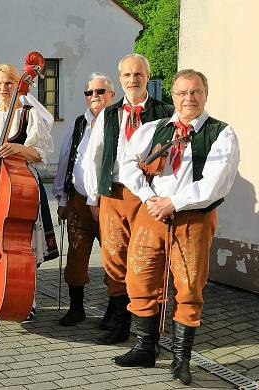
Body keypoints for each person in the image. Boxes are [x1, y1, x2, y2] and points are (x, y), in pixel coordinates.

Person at [113, 69, 239, 385]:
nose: (188, 99)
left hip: (192, 220)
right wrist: (150, 198)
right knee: (139, 278)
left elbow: (215, 184)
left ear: (205, 94)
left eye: (195, 92)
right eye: (182, 93)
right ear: (173, 96)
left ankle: (181, 360)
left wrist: (173, 203)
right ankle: (145, 348)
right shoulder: (154, 129)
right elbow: (128, 166)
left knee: (189, 286)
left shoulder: (221, 133)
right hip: (151, 213)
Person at [82, 54, 174, 344]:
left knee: (147, 261)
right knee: (114, 260)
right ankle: (120, 325)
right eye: (127, 76)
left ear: (147, 76)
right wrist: (93, 197)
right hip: (114, 193)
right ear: (119, 79)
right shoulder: (109, 113)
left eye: (138, 74)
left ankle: (149, 332)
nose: (132, 80)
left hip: (149, 196)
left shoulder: (166, 112)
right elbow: (92, 158)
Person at [0, 63, 55, 318]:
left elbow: (41, 154)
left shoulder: (29, 115)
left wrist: (19, 149)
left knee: (25, 242)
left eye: (8, 83)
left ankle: (27, 297)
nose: (3, 88)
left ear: (19, 86)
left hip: (21, 184)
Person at [52, 73, 116, 326]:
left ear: (112, 95)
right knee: (76, 257)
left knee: (113, 258)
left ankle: (115, 313)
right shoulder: (79, 123)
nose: (95, 97)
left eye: (101, 91)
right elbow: (67, 160)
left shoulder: (119, 122)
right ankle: (76, 308)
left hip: (109, 202)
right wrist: (62, 198)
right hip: (78, 201)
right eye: (90, 93)